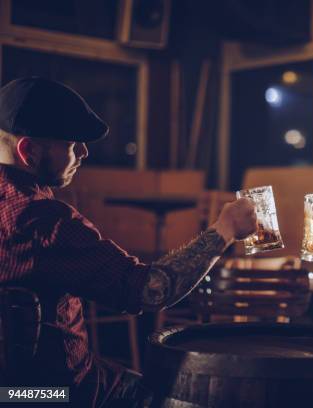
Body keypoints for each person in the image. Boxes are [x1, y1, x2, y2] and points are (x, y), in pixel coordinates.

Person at [0, 77, 257, 406]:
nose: (84, 152)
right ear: (28, 151)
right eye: (71, 143)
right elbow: (148, 290)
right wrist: (224, 230)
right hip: (58, 394)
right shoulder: (44, 222)